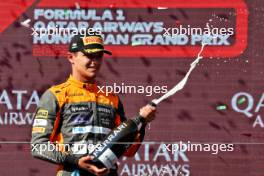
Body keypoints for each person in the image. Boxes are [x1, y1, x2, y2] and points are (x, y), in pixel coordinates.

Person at [30, 33, 156, 176]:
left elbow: (128, 150)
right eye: (89, 56)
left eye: (98, 56)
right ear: (71, 57)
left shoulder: (112, 98)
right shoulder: (55, 95)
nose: (94, 61)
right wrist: (76, 161)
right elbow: (38, 146)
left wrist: (142, 123)